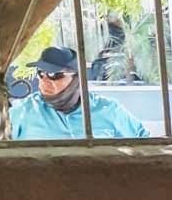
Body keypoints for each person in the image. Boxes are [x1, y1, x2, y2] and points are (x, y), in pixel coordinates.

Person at [9, 46, 148, 140]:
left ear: (76, 78)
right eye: (40, 73)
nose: (44, 81)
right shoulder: (24, 111)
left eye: (54, 74)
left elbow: (145, 144)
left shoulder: (108, 111)